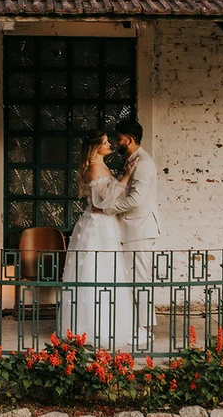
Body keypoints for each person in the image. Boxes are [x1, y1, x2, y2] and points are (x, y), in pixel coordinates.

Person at [60, 130, 137, 348]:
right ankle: (93, 329)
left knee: (107, 271)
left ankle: (112, 325)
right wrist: (126, 177)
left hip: (105, 224)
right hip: (96, 226)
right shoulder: (94, 169)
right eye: (105, 143)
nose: (110, 145)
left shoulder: (101, 166)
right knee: (95, 272)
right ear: (96, 147)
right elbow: (101, 202)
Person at [95, 119, 161, 344]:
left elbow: (135, 200)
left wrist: (107, 209)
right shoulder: (133, 161)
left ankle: (144, 329)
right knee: (132, 278)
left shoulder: (143, 164)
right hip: (131, 228)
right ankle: (137, 325)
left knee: (141, 279)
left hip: (139, 228)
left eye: (119, 138)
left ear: (129, 140)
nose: (116, 142)